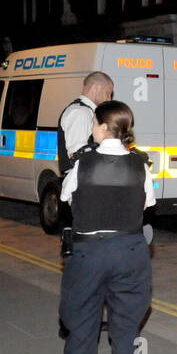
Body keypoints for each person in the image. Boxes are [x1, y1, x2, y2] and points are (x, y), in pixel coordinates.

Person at [58, 100, 156, 354]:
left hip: (87, 254)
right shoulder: (140, 165)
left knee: (82, 331)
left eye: (93, 125)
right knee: (125, 332)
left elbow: (67, 200)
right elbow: (145, 206)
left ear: (102, 127)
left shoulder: (80, 165)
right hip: (129, 251)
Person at [57, 71, 114, 257]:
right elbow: (78, 156)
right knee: (85, 248)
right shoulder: (81, 113)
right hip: (82, 188)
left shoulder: (86, 112)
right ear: (96, 88)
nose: (109, 98)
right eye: (108, 93)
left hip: (86, 186)